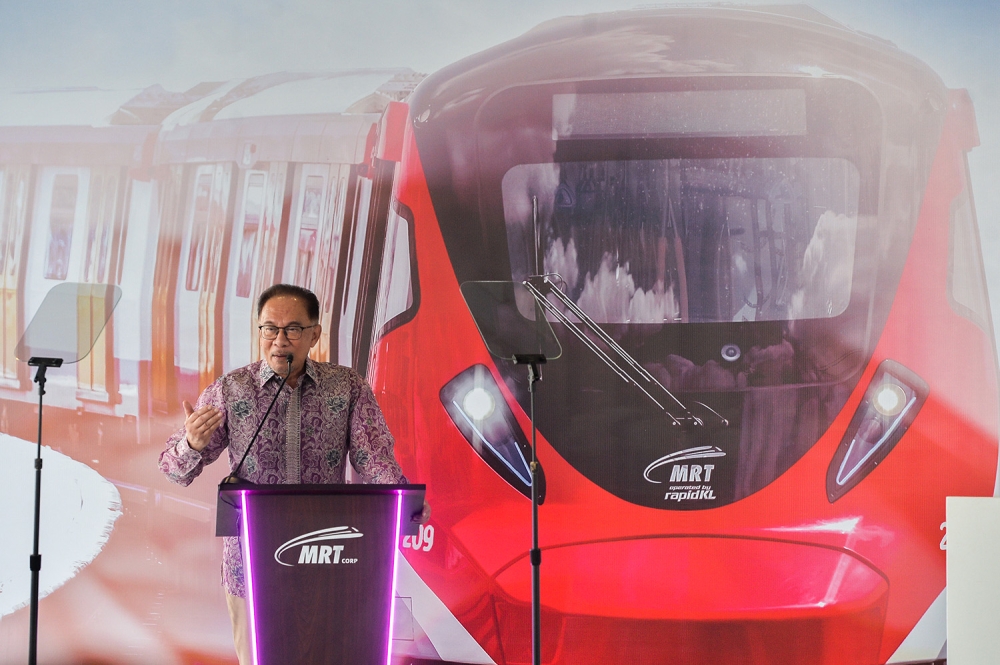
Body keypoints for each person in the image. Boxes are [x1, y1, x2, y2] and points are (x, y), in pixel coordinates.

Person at [158, 283, 427, 665]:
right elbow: (173, 470)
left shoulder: (346, 387)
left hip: (330, 559)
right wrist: (193, 444)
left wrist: (405, 501)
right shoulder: (231, 391)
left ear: (315, 334)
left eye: (293, 329)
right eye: (270, 328)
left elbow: (374, 459)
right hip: (251, 565)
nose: (279, 340)